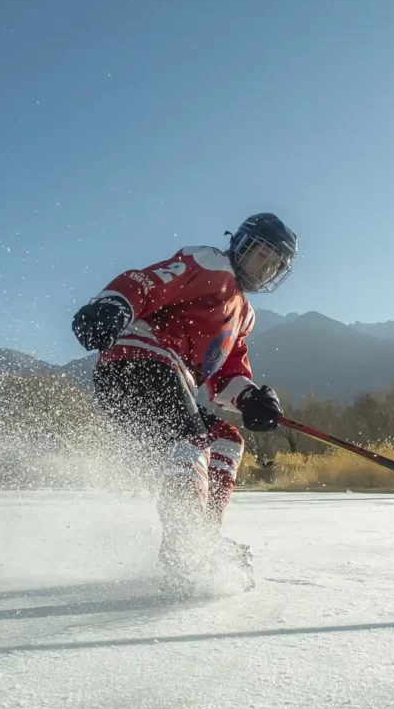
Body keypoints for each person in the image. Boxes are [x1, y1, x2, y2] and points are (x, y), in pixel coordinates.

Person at [72, 212, 297, 589]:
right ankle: (183, 548)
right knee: (188, 440)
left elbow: (225, 376)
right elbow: (147, 281)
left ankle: (201, 540)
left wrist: (251, 398)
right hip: (137, 363)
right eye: (262, 254)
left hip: (169, 378)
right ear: (241, 245)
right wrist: (114, 305)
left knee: (226, 440)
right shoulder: (211, 265)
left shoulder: (243, 315)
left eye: (275, 265)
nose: (265, 267)